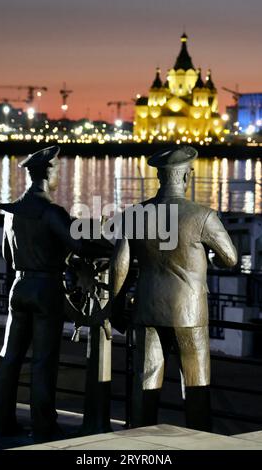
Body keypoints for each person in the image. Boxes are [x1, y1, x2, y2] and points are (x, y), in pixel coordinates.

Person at [109, 145, 237, 431]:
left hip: (146, 310)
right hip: (188, 314)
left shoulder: (134, 215)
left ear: (160, 178)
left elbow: (119, 266)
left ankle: (139, 443)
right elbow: (231, 258)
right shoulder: (202, 216)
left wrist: (115, 308)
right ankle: (198, 443)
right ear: (186, 177)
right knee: (195, 382)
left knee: (146, 378)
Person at [0, 145, 82, 441]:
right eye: (57, 168)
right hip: (46, 289)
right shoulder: (52, 212)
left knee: (10, 356)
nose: (59, 174)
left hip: (18, 288)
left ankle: (0, 423)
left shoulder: (12, 211)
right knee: (43, 359)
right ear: (48, 172)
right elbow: (78, 244)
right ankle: (43, 427)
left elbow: (7, 253)